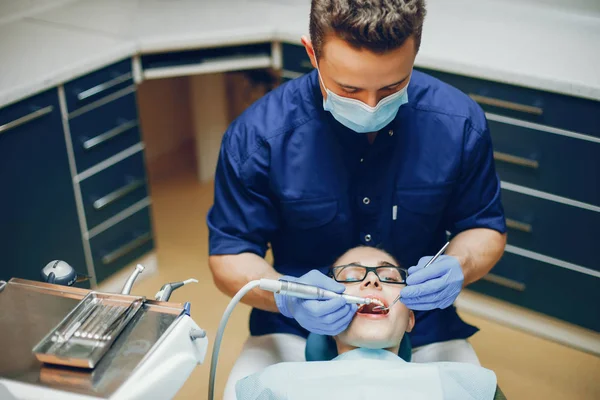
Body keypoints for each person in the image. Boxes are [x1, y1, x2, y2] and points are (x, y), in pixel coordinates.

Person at [207, 0, 507, 398]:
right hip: (292, 328)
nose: (371, 106)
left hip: (425, 327)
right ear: (312, 54)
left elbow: (483, 226)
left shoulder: (458, 123)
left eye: (391, 87)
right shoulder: (257, 138)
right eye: (349, 88)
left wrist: (460, 264)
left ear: (414, 53)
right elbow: (230, 254)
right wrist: (290, 298)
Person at [234, 246, 504, 400]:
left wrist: (465, 261)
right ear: (321, 313)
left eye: (389, 277)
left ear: (410, 319)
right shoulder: (272, 385)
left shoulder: (473, 386)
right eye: (350, 276)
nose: (372, 281)